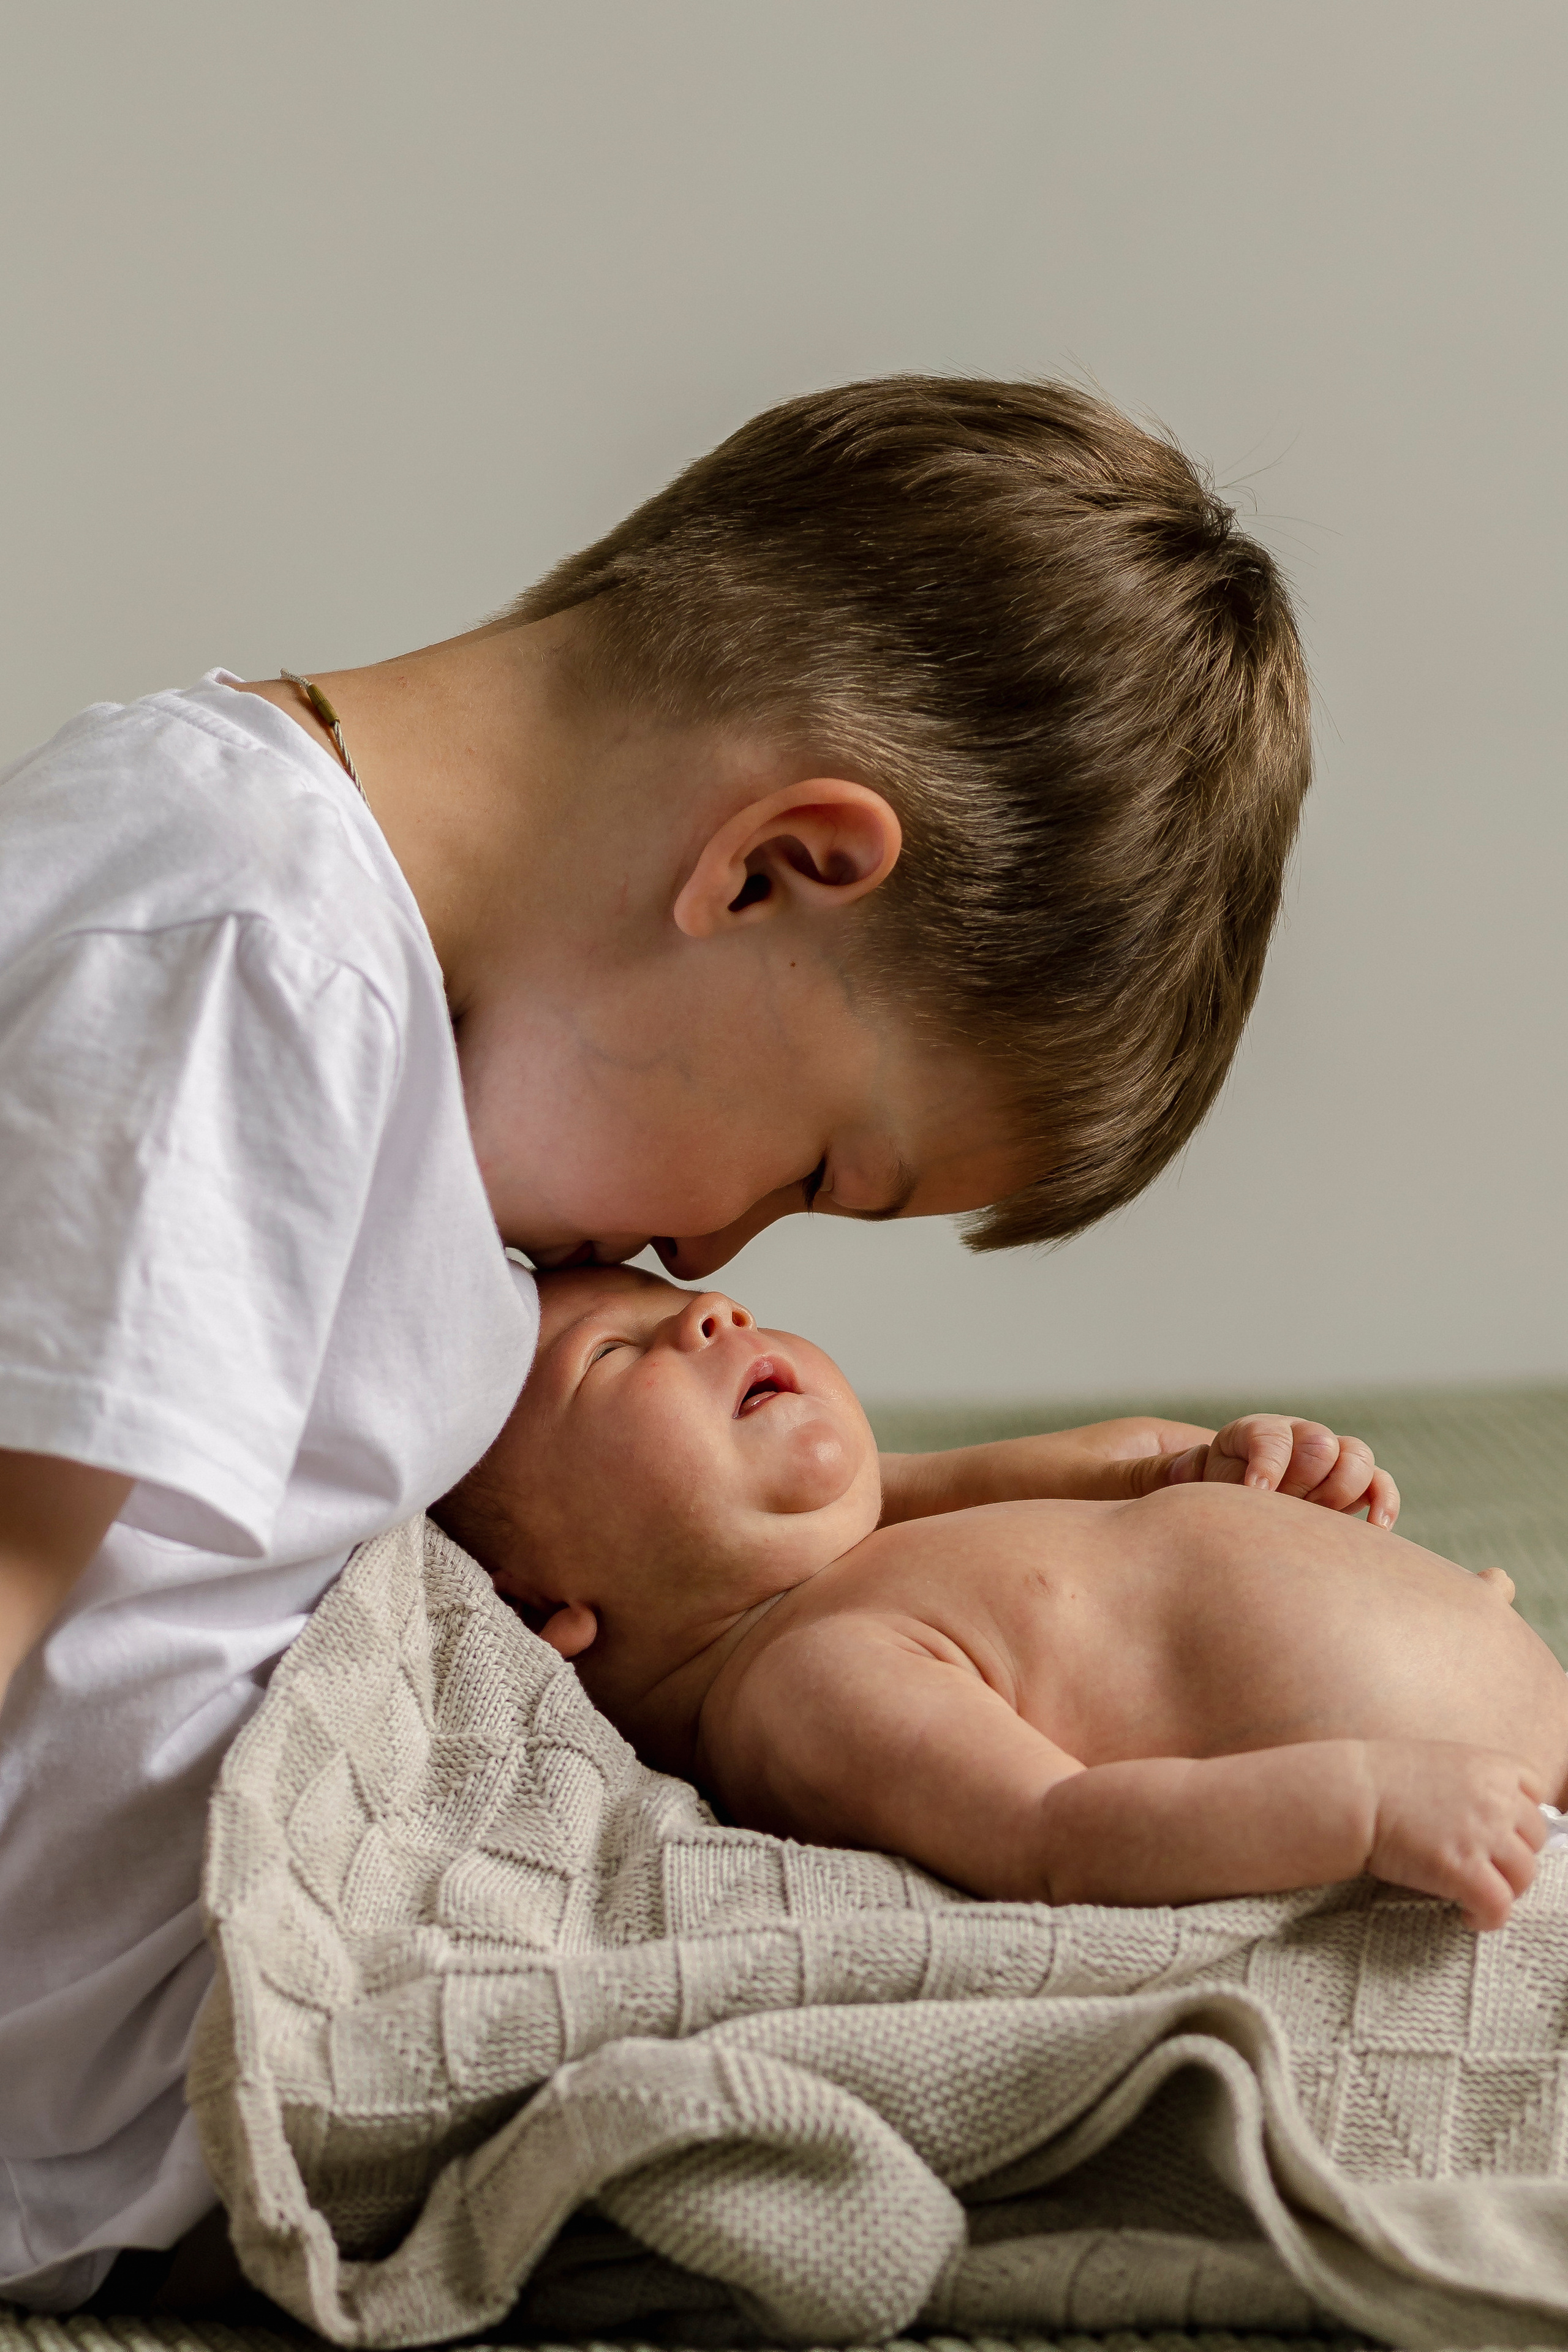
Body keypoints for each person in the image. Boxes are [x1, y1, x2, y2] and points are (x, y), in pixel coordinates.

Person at [1, 377, 1316, 2307]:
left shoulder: (373, 1007)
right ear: (776, 868)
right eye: (816, 1171)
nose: (708, 1246)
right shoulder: (243, 946)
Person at [438, 1265, 1562, 1935]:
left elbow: (1124, 1463)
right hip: (1463, 1827)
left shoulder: (876, 1529)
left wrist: (1243, 1462)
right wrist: (1369, 1804)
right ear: (547, 1615)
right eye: (616, 1354)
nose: (715, 1316)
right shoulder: (806, 1679)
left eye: (693, 1298)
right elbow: (1056, 1837)